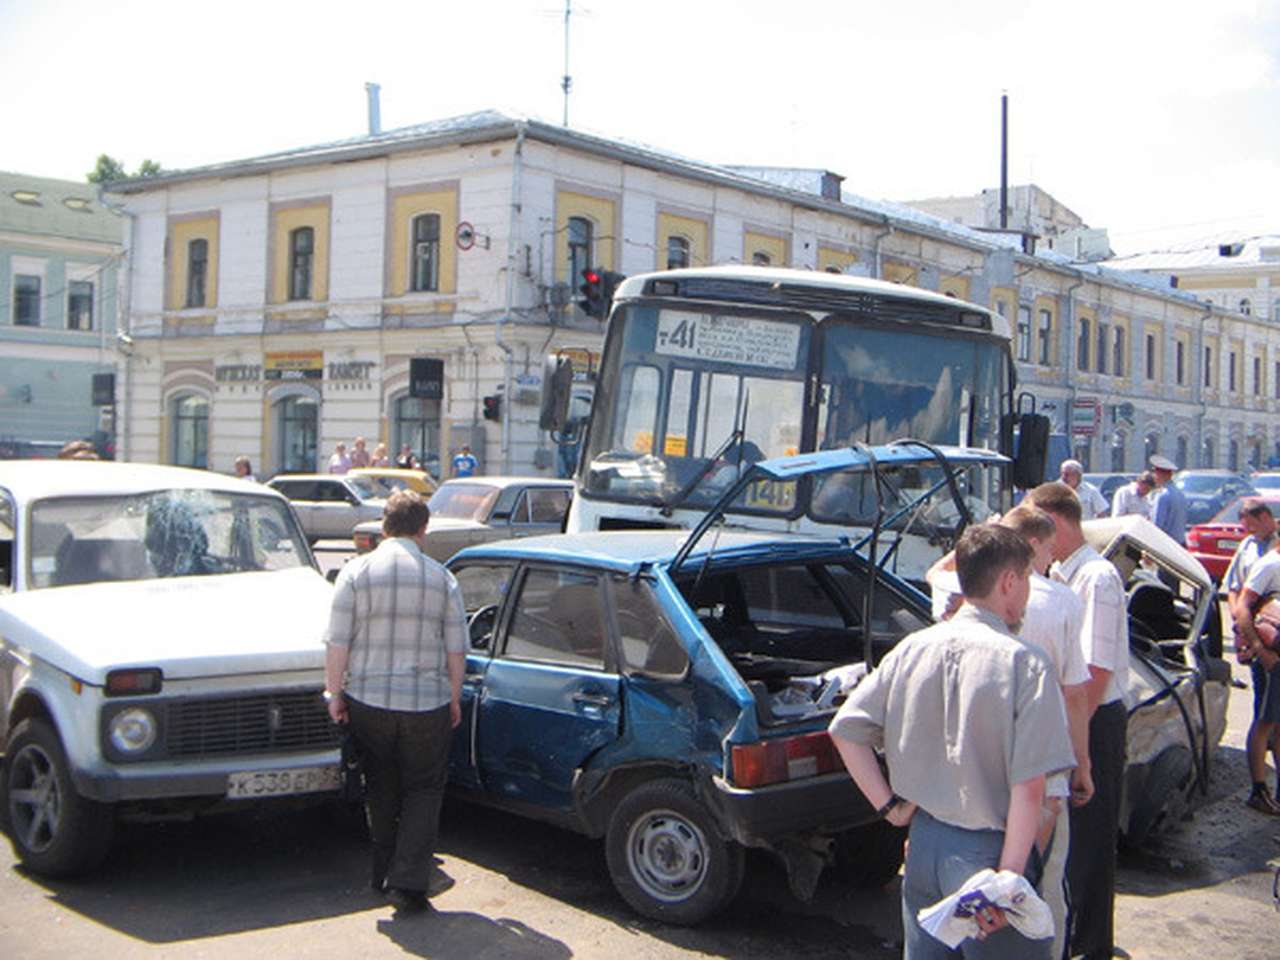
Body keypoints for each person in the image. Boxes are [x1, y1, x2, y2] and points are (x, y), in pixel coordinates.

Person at [830, 524, 1075, 959]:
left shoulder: (912, 648)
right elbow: (1030, 788)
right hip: (990, 857)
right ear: (1008, 581)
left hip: (924, 845)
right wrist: (1009, 884)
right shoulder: (1026, 664)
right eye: (1028, 583)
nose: (1027, 599)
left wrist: (890, 809)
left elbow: (845, 731)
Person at [324, 489, 467, 913]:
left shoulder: (356, 573)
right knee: (424, 789)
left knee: (381, 786)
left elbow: (338, 641)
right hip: (428, 703)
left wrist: (335, 693)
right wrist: (454, 697)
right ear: (423, 530)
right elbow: (456, 648)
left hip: (369, 700)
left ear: (384, 527)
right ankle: (408, 884)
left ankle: (381, 873)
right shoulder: (442, 578)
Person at [1027, 481, 1128, 960]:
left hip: (1095, 718)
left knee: (1088, 846)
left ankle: (1090, 946)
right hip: (1075, 720)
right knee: (1067, 849)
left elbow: (1098, 671)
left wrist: (1074, 743)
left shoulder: (1098, 578)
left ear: (1056, 522)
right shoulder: (1066, 573)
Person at [1229, 509, 1280, 815]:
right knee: (1264, 721)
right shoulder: (1269, 564)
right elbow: (1242, 609)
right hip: (1271, 658)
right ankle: (1258, 790)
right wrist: (1260, 651)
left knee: (1277, 722)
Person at [1148, 455, 1187, 544]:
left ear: (1161, 474)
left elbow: (1157, 526)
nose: (1154, 476)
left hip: (1166, 544)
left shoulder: (1162, 495)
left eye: (1155, 473)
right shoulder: (1180, 494)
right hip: (1179, 543)